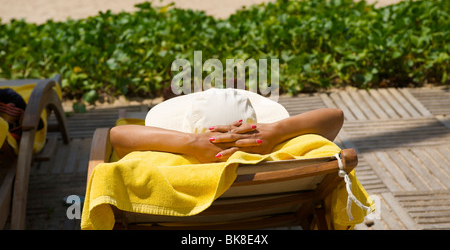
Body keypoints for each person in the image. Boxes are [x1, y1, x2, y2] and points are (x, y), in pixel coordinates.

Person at [110, 107, 344, 164]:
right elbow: (335, 116)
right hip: (271, 214)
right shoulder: (283, 154)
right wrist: (276, 131)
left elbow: (117, 135)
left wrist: (192, 142)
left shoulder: (168, 160)